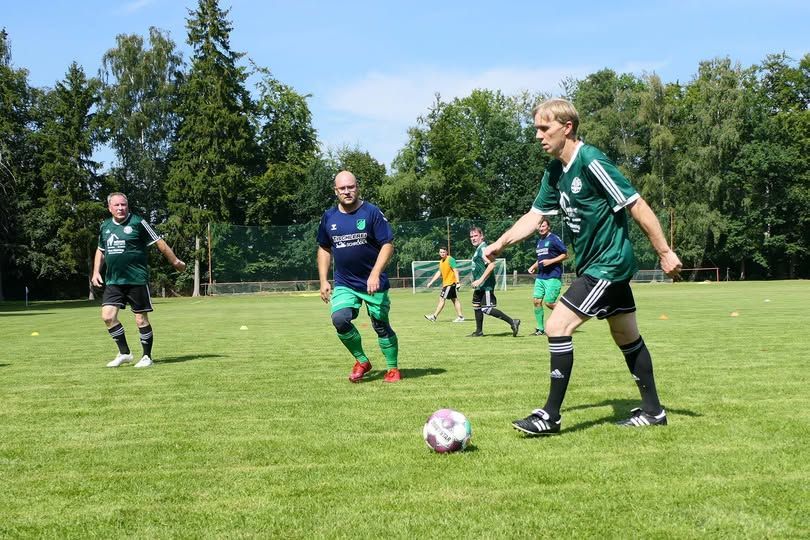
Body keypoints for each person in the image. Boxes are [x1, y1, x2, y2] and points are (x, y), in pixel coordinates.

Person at [484, 98, 682, 435]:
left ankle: (550, 416)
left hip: (608, 265)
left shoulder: (590, 161)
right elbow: (535, 216)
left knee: (557, 325)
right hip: (596, 265)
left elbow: (635, 204)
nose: (538, 136)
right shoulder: (554, 172)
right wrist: (501, 243)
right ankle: (654, 412)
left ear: (567, 127)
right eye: (536, 129)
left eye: (544, 128)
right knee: (626, 335)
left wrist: (664, 251)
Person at [317, 170, 401, 383]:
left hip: (374, 283)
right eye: (342, 188)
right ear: (335, 191)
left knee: (380, 326)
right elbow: (324, 248)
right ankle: (362, 361)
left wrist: (375, 274)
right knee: (339, 319)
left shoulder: (371, 212)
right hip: (345, 283)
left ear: (357, 187)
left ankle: (392, 368)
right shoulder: (329, 217)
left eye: (351, 187)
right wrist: (324, 280)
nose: (347, 191)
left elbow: (388, 245)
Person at [91, 192, 186, 368]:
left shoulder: (138, 222)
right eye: (117, 205)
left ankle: (147, 357)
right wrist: (96, 272)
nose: (121, 208)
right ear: (109, 208)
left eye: (124, 205)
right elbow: (101, 250)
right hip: (114, 281)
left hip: (136, 280)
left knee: (141, 319)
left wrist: (175, 262)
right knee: (107, 317)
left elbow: (159, 242)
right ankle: (125, 353)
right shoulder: (105, 226)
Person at [467, 226, 520, 338]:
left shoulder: (483, 249)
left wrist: (480, 280)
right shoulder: (479, 249)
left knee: (486, 309)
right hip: (480, 286)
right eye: (471, 236)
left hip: (485, 285)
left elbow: (492, 265)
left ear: (482, 236)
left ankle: (512, 322)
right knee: (476, 306)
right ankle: (478, 331)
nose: (473, 238)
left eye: (475, 236)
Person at [526, 218, 568, 336]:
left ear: (548, 227)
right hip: (541, 277)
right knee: (536, 301)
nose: (541, 228)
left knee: (549, 303)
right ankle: (540, 329)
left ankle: (568, 314)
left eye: (543, 226)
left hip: (553, 276)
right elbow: (540, 258)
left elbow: (565, 255)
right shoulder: (540, 241)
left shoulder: (554, 239)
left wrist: (551, 261)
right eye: (539, 226)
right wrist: (533, 266)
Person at [424, 247, 465, 323]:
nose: (442, 253)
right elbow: (439, 272)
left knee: (442, 299)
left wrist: (458, 282)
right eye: (441, 252)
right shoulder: (441, 261)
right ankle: (460, 317)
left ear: (447, 252)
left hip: (450, 283)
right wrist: (431, 282)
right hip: (447, 284)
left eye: (443, 252)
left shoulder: (450, 259)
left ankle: (434, 316)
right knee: (454, 299)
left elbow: (455, 270)